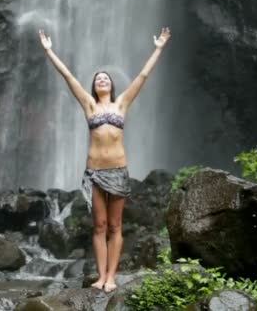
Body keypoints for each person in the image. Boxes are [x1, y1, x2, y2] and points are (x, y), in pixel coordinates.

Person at [38, 27, 171, 292]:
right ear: (94, 86)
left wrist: (158, 47)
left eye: (106, 78)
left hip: (118, 170)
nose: (102, 80)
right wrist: (48, 50)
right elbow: (68, 76)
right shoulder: (89, 105)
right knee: (98, 226)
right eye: (98, 78)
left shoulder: (122, 103)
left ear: (111, 85)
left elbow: (143, 76)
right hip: (95, 172)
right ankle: (101, 277)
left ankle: (112, 277)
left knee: (115, 225)